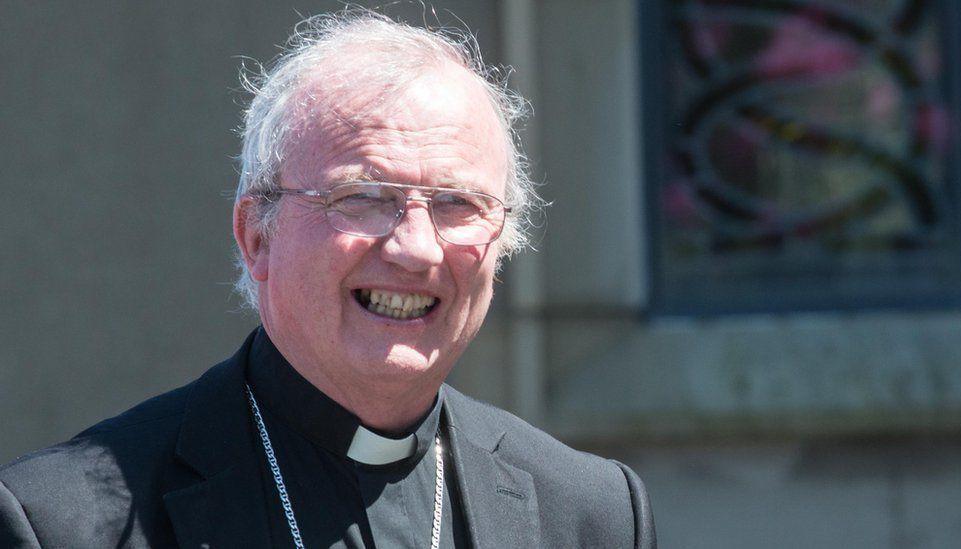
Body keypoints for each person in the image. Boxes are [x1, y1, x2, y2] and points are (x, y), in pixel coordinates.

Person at [0, 10, 655, 548]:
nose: (416, 249)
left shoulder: (592, 514)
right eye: (364, 197)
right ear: (257, 234)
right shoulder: (62, 523)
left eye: (459, 204)